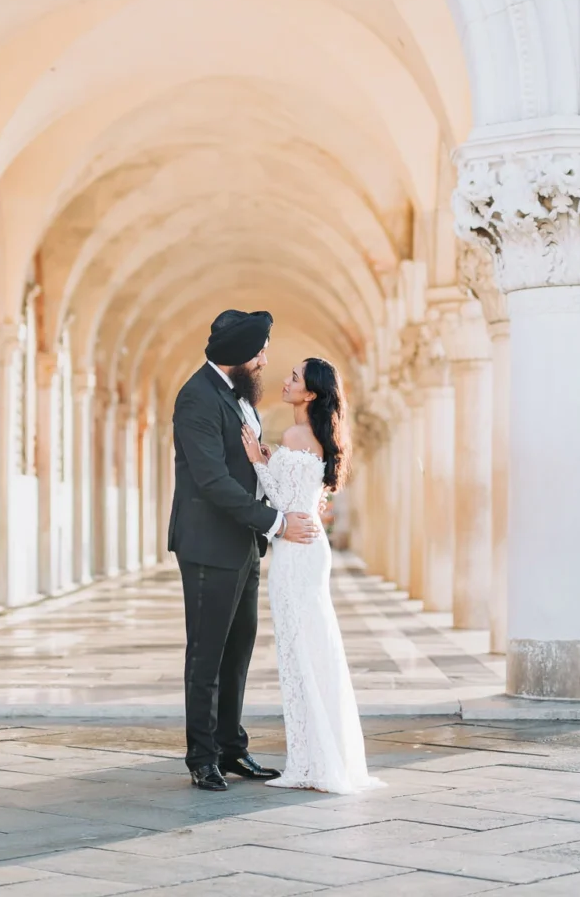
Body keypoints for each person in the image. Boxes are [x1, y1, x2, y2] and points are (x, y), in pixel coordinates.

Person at [169, 309, 320, 791]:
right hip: (209, 547)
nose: (264, 362)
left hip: (243, 546)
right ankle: (203, 757)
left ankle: (233, 749)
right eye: (258, 354)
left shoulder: (236, 397)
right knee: (207, 657)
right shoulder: (196, 398)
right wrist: (277, 523)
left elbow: (246, 469)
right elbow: (213, 480)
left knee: (237, 655)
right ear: (237, 358)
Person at [241, 357, 382, 794]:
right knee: (314, 647)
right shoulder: (322, 436)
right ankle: (319, 756)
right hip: (309, 546)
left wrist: (258, 461)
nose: (285, 380)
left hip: (295, 550)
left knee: (297, 651)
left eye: (295, 378)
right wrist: (271, 459)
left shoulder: (295, 435)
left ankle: (308, 762)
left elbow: (283, 501)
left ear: (312, 393)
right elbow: (304, 497)